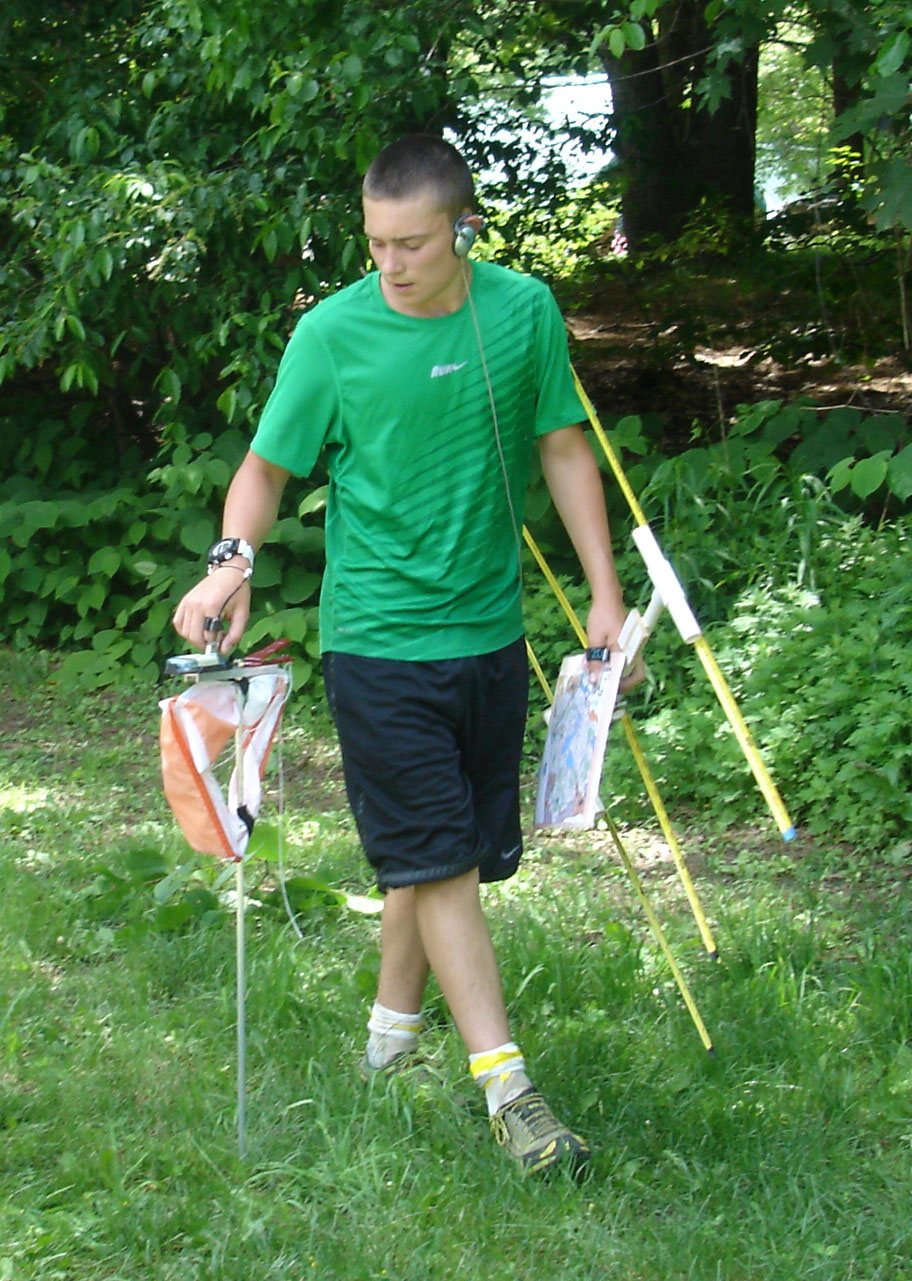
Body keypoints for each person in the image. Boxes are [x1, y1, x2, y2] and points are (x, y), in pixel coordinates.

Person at [172, 134, 642, 1176]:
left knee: (440, 859)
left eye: (413, 245)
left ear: (462, 228)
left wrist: (605, 595)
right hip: (379, 645)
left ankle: (387, 1046)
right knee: (441, 859)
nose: (390, 264)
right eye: (376, 243)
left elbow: (563, 446)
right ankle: (510, 1091)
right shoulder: (332, 335)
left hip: (489, 637)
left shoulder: (522, 313)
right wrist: (230, 565)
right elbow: (265, 469)